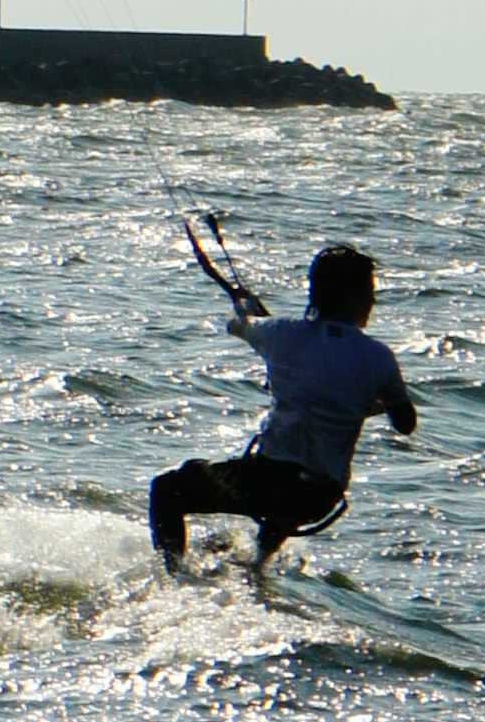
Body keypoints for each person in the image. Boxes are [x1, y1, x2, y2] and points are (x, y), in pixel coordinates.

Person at [149, 227, 413, 569]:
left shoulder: (282, 334)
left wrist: (247, 311)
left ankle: (172, 579)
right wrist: (359, 405)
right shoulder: (379, 358)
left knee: (167, 490)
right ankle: (255, 568)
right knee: (284, 500)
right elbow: (405, 424)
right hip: (319, 498)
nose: (373, 301)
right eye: (369, 292)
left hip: (266, 484)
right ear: (350, 297)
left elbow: (237, 325)